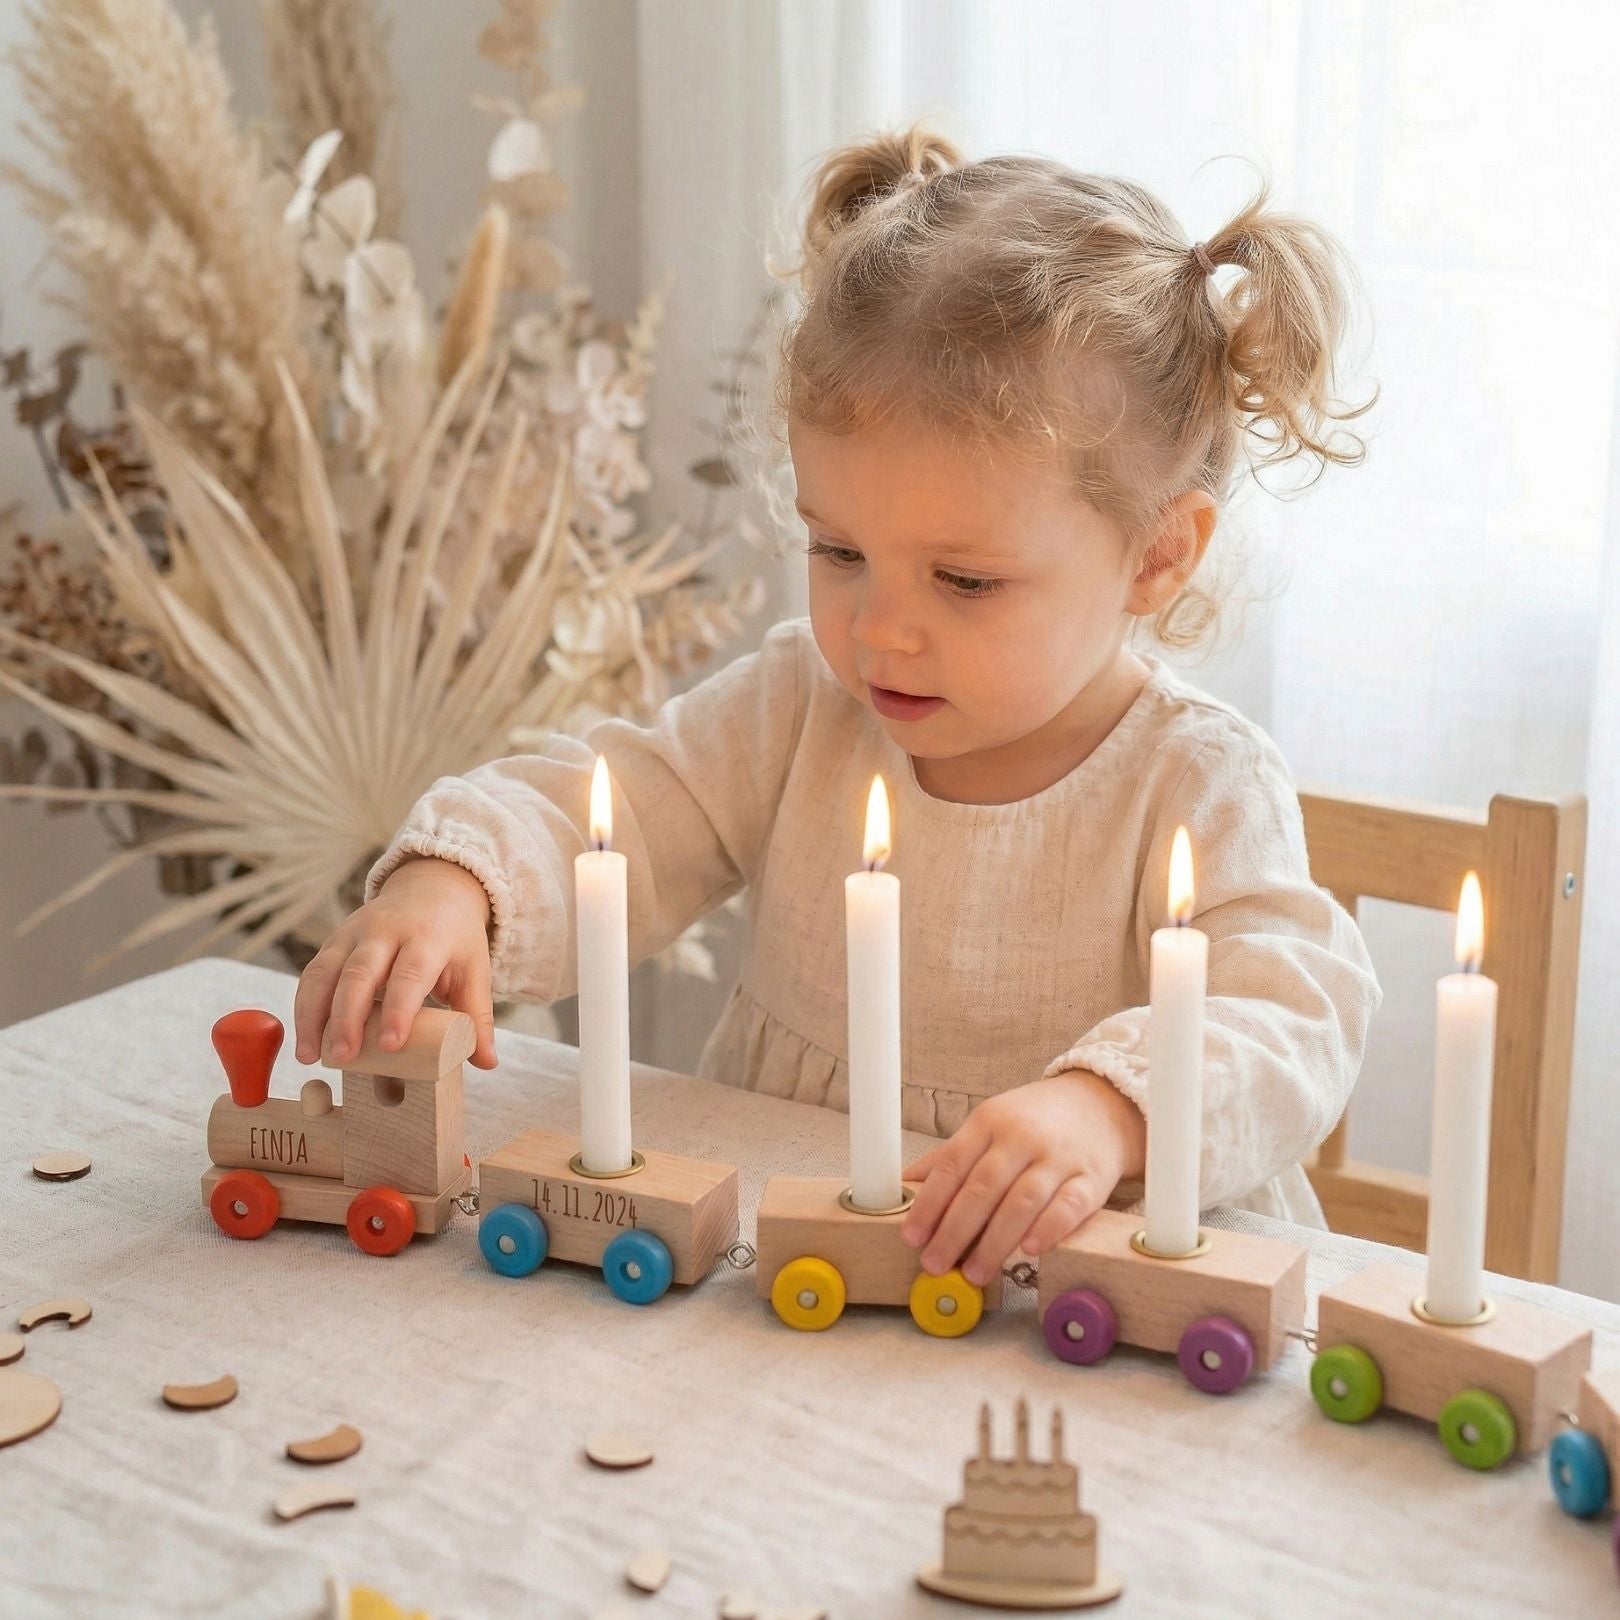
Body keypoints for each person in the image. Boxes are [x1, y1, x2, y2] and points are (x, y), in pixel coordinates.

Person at [294, 124, 1381, 1291]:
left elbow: (1291, 1010)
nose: (880, 630)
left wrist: (1110, 1110)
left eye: (963, 580)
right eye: (838, 549)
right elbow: (619, 813)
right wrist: (461, 880)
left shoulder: (1194, 779)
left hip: (1088, 1296)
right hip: (796, 1261)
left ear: (1159, 556)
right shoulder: (802, 704)